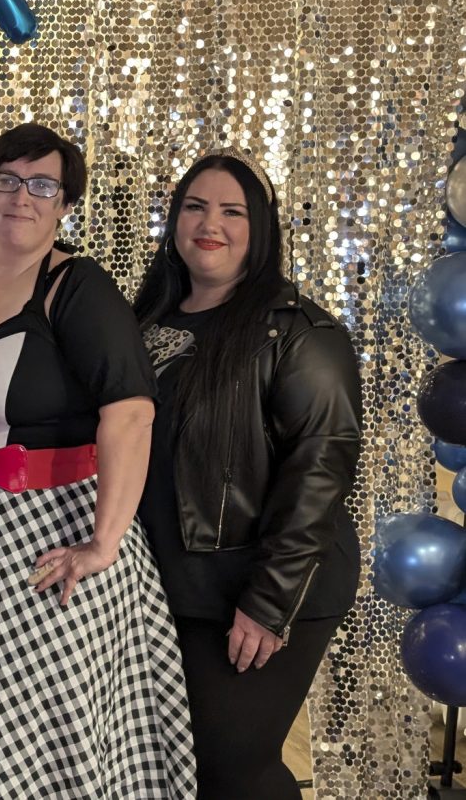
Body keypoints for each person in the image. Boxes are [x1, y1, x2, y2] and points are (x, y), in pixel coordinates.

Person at [0, 123, 197, 799]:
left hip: (47, 536)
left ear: (64, 203)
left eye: (41, 185)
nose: (20, 198)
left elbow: (131, 414)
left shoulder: (77, 286)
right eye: (6, 180)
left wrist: (104, 543)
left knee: (39, 728)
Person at [133, 151, 360, 800]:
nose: (211, 224)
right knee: (183, 769)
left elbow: (320, 470)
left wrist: (268, 602)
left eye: (232, 212)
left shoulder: (300, 332)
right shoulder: (146, 317)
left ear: (261, 228)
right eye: (195, 207)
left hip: (259, 585)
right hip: (166, 585)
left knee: (231, 770)